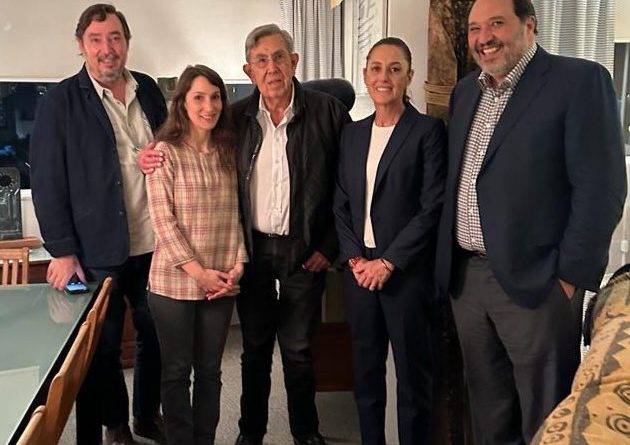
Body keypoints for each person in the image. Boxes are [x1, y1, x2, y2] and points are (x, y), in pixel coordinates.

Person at [140, 23, 350, 445]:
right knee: (254, 348)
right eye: (261, 60)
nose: (271, 68)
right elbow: (191, 148)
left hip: (304, 249)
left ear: (294, 61)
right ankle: (250, 434)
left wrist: (329, 247)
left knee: (298, 349)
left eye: (279, 57)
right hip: (253, 248)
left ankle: (305, 433)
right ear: (248, 70)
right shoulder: (235, 120)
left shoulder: (328, 112)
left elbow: (347, 183)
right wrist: (147, 155)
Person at [434, 0, 627, 443]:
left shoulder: (578, 81)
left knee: (546, 416)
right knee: (489, 412)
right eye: (475, 28)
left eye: (496, 24)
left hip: (539, 285)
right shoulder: (465, 93)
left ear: (529, 25)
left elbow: (602, 189)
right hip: (467, 280)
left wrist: (568, 278)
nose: (484, 38)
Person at [29, 4, 166, 444]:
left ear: (126, 42)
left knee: (156, 336)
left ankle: (147, 415)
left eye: (115, 38)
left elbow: (167, 150)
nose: (107, 49)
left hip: (152, 243)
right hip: (93, 253)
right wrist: (62, 252)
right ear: (81, 45)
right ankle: (116, 424)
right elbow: (47, 181)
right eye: (96, 39)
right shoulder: (61, 102)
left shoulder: (148, 89)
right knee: (100, 348)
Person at [333, 37, 446, 445]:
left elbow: (432, 207)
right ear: (365, 75)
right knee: (365, 374)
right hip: (359, 272)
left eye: (395, 69)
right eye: (377, 68)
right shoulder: (352, 134)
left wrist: (388, 262)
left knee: (413, 378)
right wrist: (354, 259)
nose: (384, 77)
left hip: (405, 273)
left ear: (409, 76)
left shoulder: (427, 131)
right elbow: (341, 203)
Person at [145, 64, 247, 445]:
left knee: (209, 373)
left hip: (220, 283)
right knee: (176, 372)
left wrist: (238, 265)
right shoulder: (164, 153)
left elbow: (236, 214)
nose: (209, 106)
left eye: (216, 97)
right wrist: (200, 273)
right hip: (172, 284)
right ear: (182, 104)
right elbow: (163, 223)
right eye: (199, 97)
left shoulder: (228, 151)